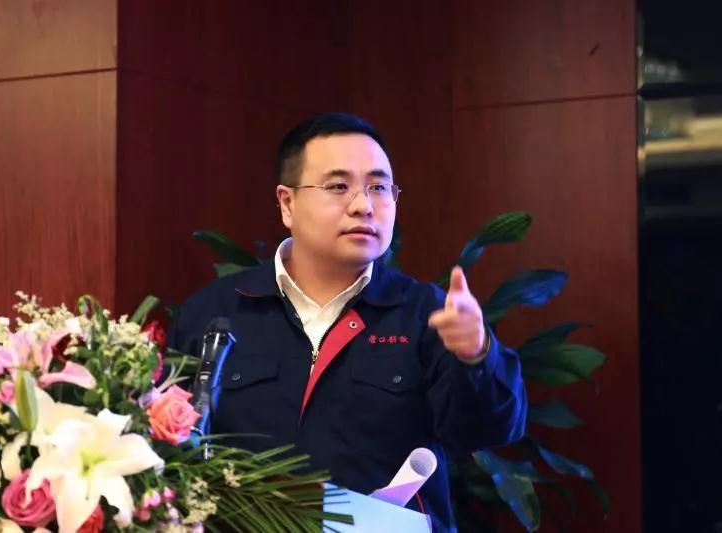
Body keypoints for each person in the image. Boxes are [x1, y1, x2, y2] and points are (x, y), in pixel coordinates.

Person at [168, 113, 527, 531]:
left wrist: (476, 355)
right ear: (287, 203)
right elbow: (169, 450)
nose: (363, 205)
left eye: (378, 187)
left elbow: (487, 431)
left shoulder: (425, 312)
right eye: (338, 187)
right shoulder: (216, 313)